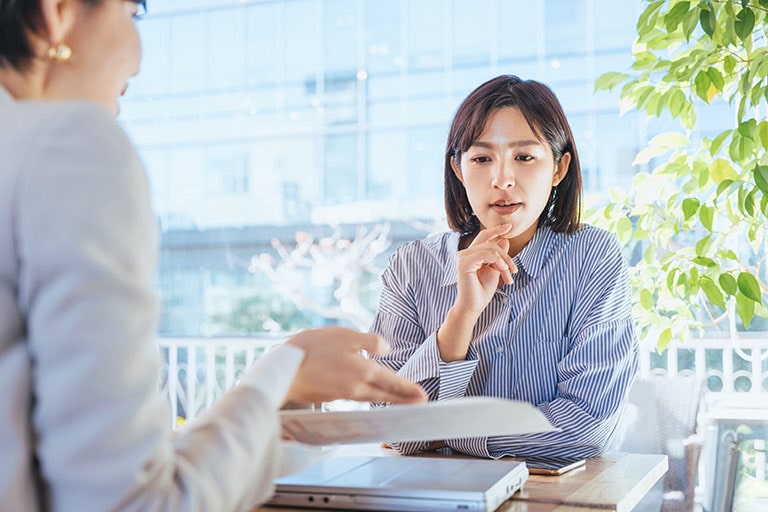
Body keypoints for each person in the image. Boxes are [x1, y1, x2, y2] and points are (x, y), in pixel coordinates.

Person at [0, 1, 426, 510]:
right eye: (132, 13)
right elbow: (134, 502)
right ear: (58, 14)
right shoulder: (68, 146)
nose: (138, 57)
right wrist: (279, 377)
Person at [370, 74, 639, 460]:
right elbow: (388, 423)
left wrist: (443, 430)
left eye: (524, 157)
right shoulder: (412, 266)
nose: (502, 179)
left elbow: (587, 426)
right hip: (438, 494)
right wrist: (462, 316)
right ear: (459, 171)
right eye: (481, 159)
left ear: (559, 169)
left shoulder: (592, 256)